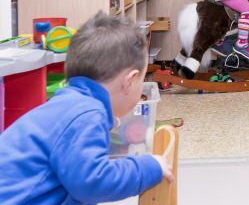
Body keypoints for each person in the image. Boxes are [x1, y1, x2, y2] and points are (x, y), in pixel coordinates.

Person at [0, 13, 172, 205]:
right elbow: (93, 183)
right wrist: (149, 168)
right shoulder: (87, 114)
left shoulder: (71, 104)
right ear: (130, 81)